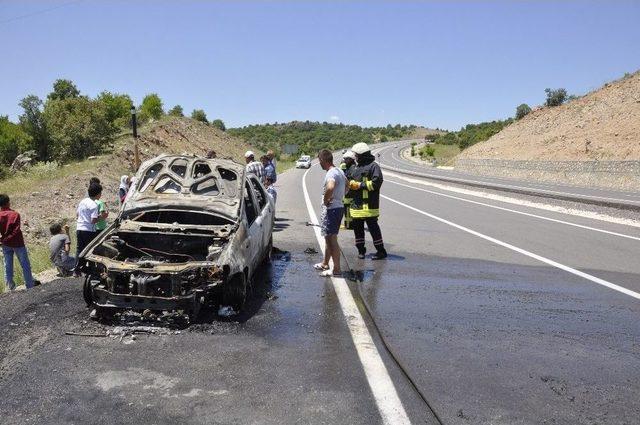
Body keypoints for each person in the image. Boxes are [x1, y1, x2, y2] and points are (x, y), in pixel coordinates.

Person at [348, 142, 387, 260]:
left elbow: (377, 182)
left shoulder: (373, 166)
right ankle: (361, 251)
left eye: (356, 155)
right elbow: (348, 178)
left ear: (362, 154)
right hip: (356, 206)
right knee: (358, 230)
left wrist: (360, 185)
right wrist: (350, 183)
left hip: (370, 206)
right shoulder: (354, 167)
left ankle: (381, 251)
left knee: (374, 230)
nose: (355, 157)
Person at [314, 149, 346, 277]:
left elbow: (331, 187)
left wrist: (327, 199)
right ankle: (325, 263)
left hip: (332, 209)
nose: (319, 163)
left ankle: (337, 269)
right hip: (338, 207)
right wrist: (340, 196)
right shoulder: (339, 171)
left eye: (319, 160)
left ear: (323, 160)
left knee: (331, 239)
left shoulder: (331, 173)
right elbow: (347, 186)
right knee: (328, 237)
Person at [0, 194, 39, 290]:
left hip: (6, 244)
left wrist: (2, 240)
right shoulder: (15, 214)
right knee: (25, 264)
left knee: (8, 265)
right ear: (8, 202)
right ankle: (29, 285)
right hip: (18, 243)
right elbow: (16, 230)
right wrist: (6, 239)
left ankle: (10, 287)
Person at [75, 184, 108, 275]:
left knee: (79, 250)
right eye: (100, 193)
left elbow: (77, 215)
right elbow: (93, 220)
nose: (101, 195)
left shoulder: (83, 201)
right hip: (89, 230)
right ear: (97, 194)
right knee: (91, 250)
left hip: (79, 228)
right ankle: (92, 270)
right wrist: (102, 217)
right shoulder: (94, 205)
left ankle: (76, 270)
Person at [340, 150, 357, 230]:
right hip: (348, 194)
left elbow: (351, 179)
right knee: (347, 210)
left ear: (350, 159)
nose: (345, 161)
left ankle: (349, 225)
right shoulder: (348, 167)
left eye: (346, 159)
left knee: (348, 210)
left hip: (351, 194)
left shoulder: (353, 168)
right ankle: (348, 224)